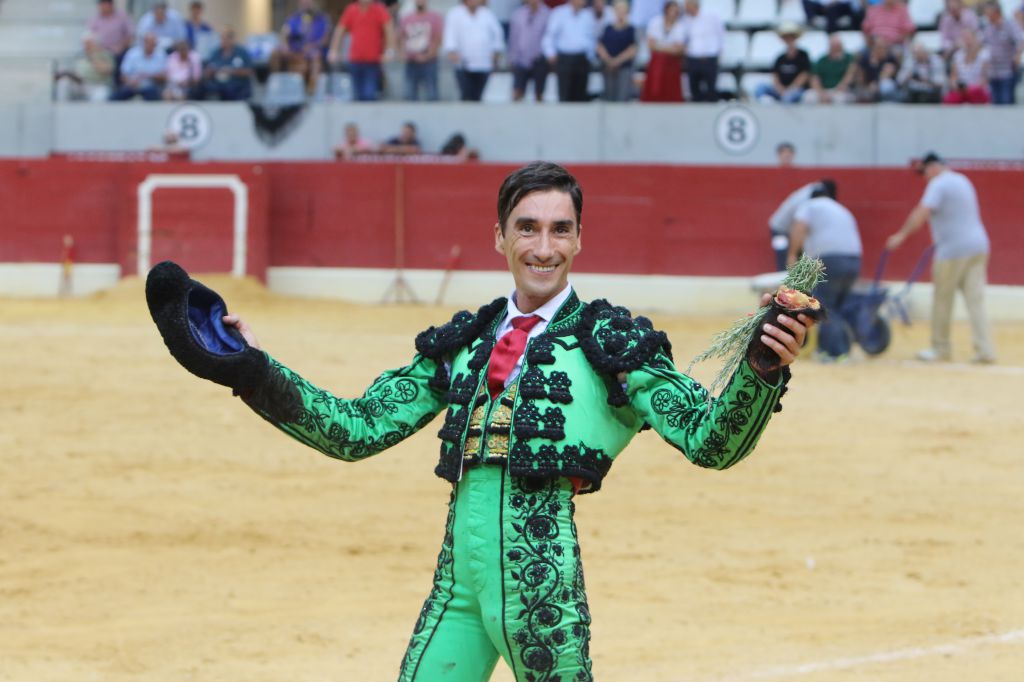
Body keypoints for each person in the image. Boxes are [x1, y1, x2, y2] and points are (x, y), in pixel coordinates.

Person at [178, 161, 813, 680]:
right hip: (457, 589)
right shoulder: (465, 341)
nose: (544, 248)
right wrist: (251, 368)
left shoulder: (610, 340)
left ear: (580, 239)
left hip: (542, 594)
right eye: (528, 228)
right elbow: (355, 428)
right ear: (500, 237)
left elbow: (711, 442)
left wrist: (760, 366)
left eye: (561, 230)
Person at [886, 152, 996, 364]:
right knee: (976, 301)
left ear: (933, 167)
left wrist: (900, 235)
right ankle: (986, 349)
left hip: (953, 250)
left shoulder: (938, 184)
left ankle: (940, 348)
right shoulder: (962, 180)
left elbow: (922, 212)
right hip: (979, 245)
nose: (925, 177)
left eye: (925, 171)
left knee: (942, 300)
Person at [788, 180, 863, 362]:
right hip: (854, 259)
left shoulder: (809, 206)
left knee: (825, 306)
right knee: (838, 307)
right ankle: (845, 348)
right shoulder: (841, 209)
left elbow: (799, 228)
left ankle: (834, 353)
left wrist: (792, 255)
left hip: (831, 259)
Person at [329, 0, 395, 102]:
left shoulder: (379, 9)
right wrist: (334, 50)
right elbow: (340, 30)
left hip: (373, 62)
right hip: (355, 61)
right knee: (356, 95)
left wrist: (390, 50)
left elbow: (388, 29)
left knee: (369, 94)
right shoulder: (351, 10)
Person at [443, 0, 506, 101]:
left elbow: (497, 35)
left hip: (483, 63)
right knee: (466, 95)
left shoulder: (487, 14)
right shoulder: (455, 13)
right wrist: (452, 51)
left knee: (478, 96)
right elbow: (450, 35)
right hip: (463, 63)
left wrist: (496, 52)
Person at [542, 0, 598, 102]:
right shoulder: (559, 13)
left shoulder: (588, 15)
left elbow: (592, 38)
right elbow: (549, 36)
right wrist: (550, 53)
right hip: (565, 59)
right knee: (565, 94)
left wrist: (590, 57)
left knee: (581, 95)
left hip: (582, 59)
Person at [271, 0, 331, 96]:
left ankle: (312, 89)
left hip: (312, 49)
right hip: (294, 49)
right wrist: (285, 44)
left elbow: (325, 39)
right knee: (275, 53)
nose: (305, 3)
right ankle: (277, 83)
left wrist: (312, 45)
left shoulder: (322, 18)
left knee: (316, 55)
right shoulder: (293, 17)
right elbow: (284, 34)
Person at [755, 23, 811, 104]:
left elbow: (804, 75)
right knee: (760, 88)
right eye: (786, 37)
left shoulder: (803, 56)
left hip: (796, 90)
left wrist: (791, 89)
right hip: (781, 89)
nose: (789, 40)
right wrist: (780, 89)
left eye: (791, 37)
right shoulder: (780, 58)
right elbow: (775, 76)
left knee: (789, 97)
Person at [641, 0, 686, 102]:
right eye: (672, 10)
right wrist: (670, 48)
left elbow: (679, 49)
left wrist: (660, 47)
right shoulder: (655, 22)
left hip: (672, 65)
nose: (674, 13)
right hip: (657, 63)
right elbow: (651, 45)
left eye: (676, 11)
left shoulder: (680, 26)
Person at [399, 0, 444, 101]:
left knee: (432, 94)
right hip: (411, 62)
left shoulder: (435, 17)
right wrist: (403, 53)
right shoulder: (407, 18)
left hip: (429, 62)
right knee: (409, 93)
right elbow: (401, 37)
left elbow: (438, 38)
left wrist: (428, 55)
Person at [681, 0, 724, 103]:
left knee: (711, 89)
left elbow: (721, 35)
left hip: (709, 57)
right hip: (692, 58)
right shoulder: (685, 20)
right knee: (694, 90)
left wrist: (720, 53)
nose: (685, 8)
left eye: (687, 5)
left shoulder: (711, 16)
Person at [980, 2, 1023, 105]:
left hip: (1007, 72)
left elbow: (1021, 41)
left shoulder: (1010, 25)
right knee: (995, 105)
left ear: (996, 13)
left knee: (1006, 103)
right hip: (993, 72)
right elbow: (982, 45)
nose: (986, 16)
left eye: (988, 14)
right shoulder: (988, 28)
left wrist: (1017, 56)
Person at [508, 0, 552, 102]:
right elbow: (513, 39)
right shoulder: (517, 15)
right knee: (517, 93)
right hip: (521, 59)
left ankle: (540, 116)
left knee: (539, 94)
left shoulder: (548, 14)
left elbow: (549, 37)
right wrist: (512, 58)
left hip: (539, 59)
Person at [54, 33, 115, 102]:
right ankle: (61, 108)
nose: (86, 46)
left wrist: (93, 54)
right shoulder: (80, 55)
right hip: (81, 85)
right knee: (64, 82)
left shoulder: (105, 54)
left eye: (89, 43)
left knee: (101, 95)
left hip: (98, 85)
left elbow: (106, 70)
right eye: (84, 44)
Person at [596, 0, 637, 101]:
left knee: (622, 96)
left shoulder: (630, 29)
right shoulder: (608, 28)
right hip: (608, 67)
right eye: (618, 10)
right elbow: (600, 46)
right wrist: (609, 60)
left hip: (624, 68)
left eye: (623, 10)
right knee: (609, 95)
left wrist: (617, 61)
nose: (620, 12)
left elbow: (632, 49)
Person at [199, 28, 254, 101]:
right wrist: (211, 71)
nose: (224, 41)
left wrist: (231, 71)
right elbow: (207, 71)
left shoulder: (241, 52)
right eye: (222, 38)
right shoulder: (215, 53)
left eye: (226, 38)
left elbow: (249, 71)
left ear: (232, 39)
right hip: (219, 86)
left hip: (237, 86)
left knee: (231, 89)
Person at [801, 33, 856, 103]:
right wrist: (821, 93)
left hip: (841, 90)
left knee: (839, 99)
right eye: (834, 46)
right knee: (808, 96)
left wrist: (835, 92)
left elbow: (849, 77)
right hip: (823, 90)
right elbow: (814, 78)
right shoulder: (822, 60)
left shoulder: (849, 59)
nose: (836, 48)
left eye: (838, 46)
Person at [111, 32, 167, 100]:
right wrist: (130, 82)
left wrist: (149, 76)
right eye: (148, 42)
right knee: (115, 96)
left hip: (151, 86)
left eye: (153, 44)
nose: (150, 45)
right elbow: (123, 75)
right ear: (143, 42)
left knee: (152, 93)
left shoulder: (161, 55)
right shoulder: (132, 53)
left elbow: (164, 77)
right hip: (132, 85)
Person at [943, 27, 991, 104]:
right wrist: (956, 85)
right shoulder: (958, 55)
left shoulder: (984, 54)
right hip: (962, 89)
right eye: (964, 38)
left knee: (975, 92)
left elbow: (985, 78)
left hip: (977, 89)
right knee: (949, 98)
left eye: (968, 38)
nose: (966, 41)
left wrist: (969, 88)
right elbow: (953, 76)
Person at [852, 36, 899, 102]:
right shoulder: (866, 58)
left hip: (882, 86)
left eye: (883, 47)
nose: (881, 50)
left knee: (886, 85)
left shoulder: (890, 58)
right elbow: (861, 74)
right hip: (868, 86)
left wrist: (876, 83)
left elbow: (886, 74)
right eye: (878, 47)